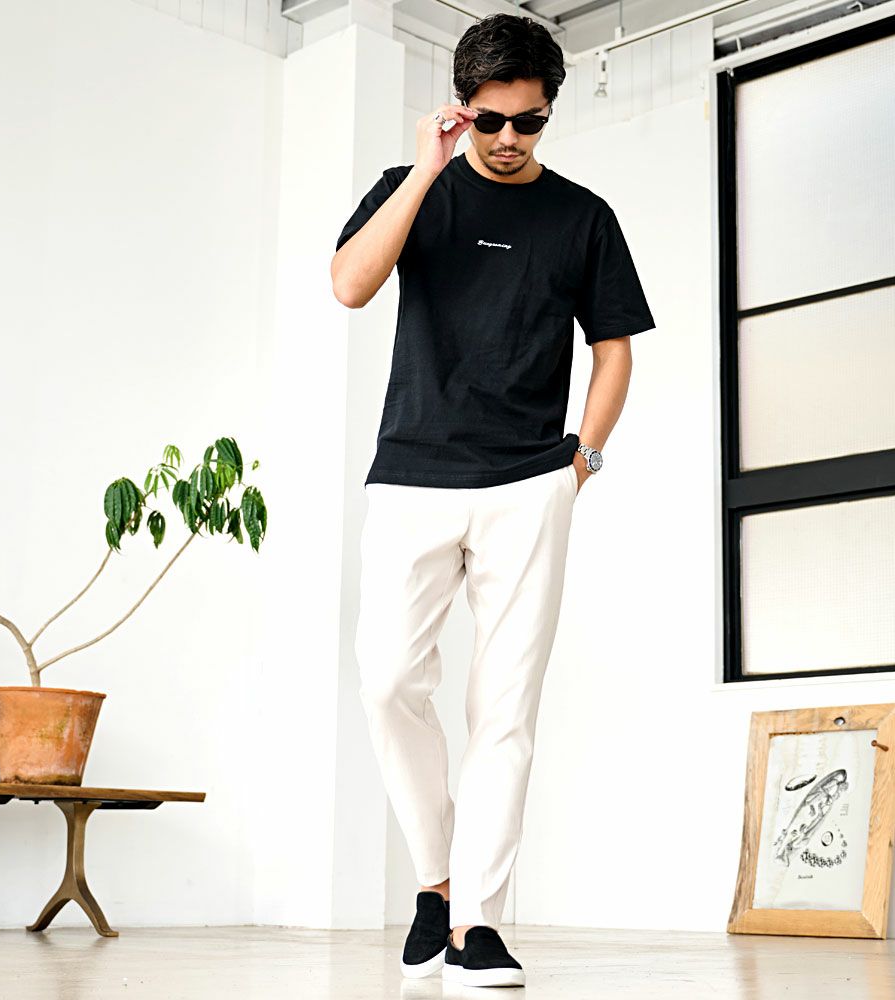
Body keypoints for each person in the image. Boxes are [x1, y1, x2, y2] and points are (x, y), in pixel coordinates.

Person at [331, 12, 655, 989]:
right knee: (387, 681)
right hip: (413, 472)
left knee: (504, 708)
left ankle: (477, 921)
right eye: (492, 120)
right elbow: (349, 284)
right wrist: (427, 169)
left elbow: (613, 349)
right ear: (462, 107)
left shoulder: (582, 217)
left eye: (531, 121)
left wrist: (581, 460)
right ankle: (434, 883)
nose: (511, 139)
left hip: (528, 484)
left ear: (548, 111)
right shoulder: (411, 188)